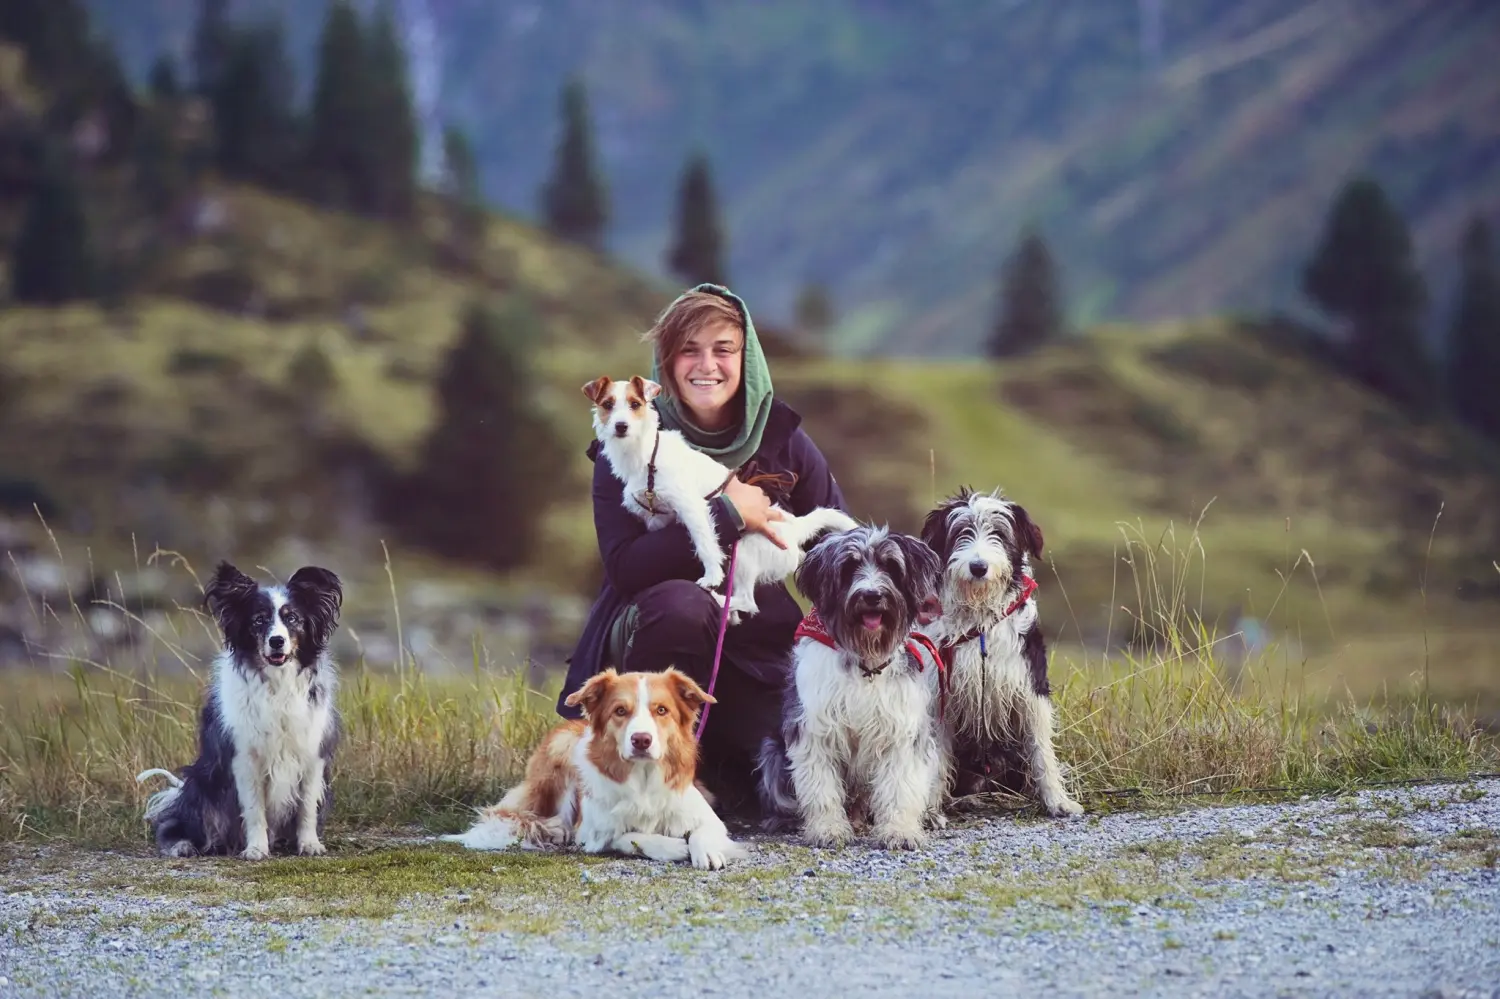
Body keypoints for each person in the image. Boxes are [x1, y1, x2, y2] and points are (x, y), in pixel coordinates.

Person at [557, 282, 848, 815]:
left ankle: (726, 782)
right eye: (688, 349)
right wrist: (731, 514)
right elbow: (625, 568)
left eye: (723, 349)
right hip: (658, 631)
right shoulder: (622, 442)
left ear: (748, 358)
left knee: (779, 768)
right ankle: (641, 788)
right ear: (664, 365)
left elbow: (837, 544)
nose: (706, 365)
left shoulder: (782, 437)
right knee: (684, 606)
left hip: (757, 637)